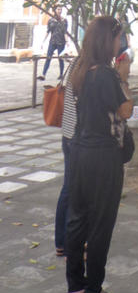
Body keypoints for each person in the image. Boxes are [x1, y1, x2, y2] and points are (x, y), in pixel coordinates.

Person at [64, 16, 133, 293]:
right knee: (101, 224)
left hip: (78, 150)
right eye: (118, 37)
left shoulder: (79, 69)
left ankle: (75, 288)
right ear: (108, 40)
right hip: (103, 156)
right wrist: (125, 77)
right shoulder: (105, 75)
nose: (121, 42)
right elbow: (125, 111)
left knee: (77, 220)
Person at [54, 63, 76, 256]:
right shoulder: (87, 66)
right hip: (76, 137)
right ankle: (65, 240)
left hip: (70, 135)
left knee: (69, 188)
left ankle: (62, 241)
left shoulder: (78, 62)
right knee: (72, 189)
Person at [39, 5, 68, 81]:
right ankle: (43, 74)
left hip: (61, 42)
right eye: (58, 9)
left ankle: (61, 74)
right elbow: (48, 31)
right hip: (52, 41)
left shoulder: (64, 21)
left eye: (61, 9)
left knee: (60, 58)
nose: (60, 11)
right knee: (48, 58)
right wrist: (43, 41)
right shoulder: (51, 20)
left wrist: (67, 41)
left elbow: (65, 32)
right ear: (55, 10)